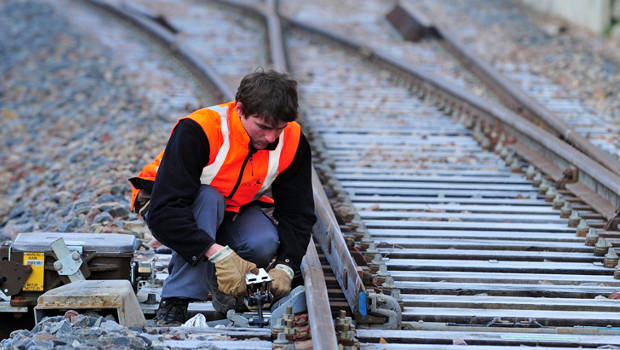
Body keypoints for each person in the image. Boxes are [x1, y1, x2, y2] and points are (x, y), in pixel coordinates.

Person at [128, 70, 316, 326]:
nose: (271, 138)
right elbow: (165, 213)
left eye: (279, 129)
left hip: (232, 207)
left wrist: (286, 265)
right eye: (263, 127)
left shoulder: (292, 140)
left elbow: (298, 212)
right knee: (208, 199)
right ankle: (175, 300)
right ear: (240, 109)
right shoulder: (200, 130)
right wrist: (217, 254)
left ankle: (223, 287)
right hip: (166, 203)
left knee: (262, 242)